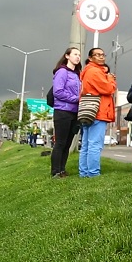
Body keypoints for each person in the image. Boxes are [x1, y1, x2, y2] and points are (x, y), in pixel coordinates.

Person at [78, 48, 117, 178]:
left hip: (88, 111)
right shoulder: (94, 71)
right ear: (90, 58)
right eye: (97, 55)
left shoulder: (88, 71)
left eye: (102, 54)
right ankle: (93, 173)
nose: (101, 57)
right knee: (94, 144)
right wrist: (110, 79)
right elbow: (108, 88)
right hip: (98, 112)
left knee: (86, 145)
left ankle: (84, 173)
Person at [50, 47, 82, 178]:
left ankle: (62, 169)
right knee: (60, 143)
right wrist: (76, 98)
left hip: (74, 112)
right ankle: (55, 171)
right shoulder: (62, 71)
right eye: (75, 54)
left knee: (68, 143)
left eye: (79, 55)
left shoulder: (77, 74)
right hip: (62, 111)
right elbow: (57, 91)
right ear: (67, 56)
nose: (78, 57)